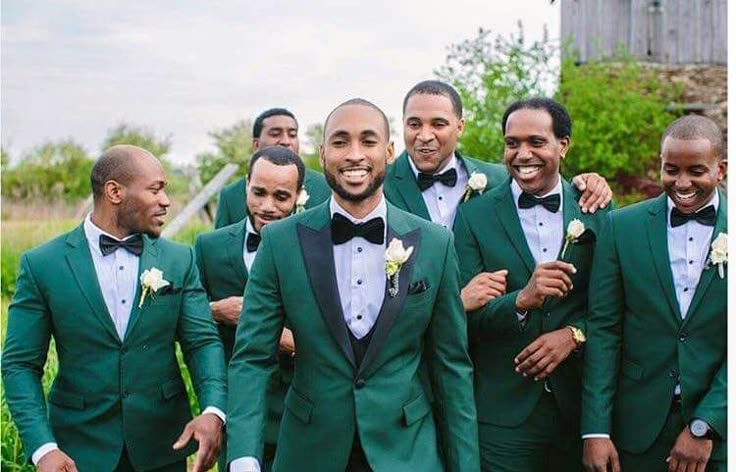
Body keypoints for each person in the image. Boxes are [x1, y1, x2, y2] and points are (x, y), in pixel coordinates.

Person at [227, 98, 479, 471]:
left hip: (406, 452)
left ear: (389, 151)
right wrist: (243, 458)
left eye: (368, 140)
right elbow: (252, 358)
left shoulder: (435, 243)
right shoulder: (280, 242)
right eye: (341, 141)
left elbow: (451, 368)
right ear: (323, 152)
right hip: (309, 452)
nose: (355, 154)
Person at [2, 145, 227, 472]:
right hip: (78, 453)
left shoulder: (180, 259)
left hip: (162, 449)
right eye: (155, 189)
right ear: (114, 191)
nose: (166, 201)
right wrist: (43, 448)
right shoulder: (42, 264)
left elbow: (202, 341)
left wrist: (213, 411)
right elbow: (20, 363)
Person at [454, 97, 610, 471]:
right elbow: (463, 320)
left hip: (580, 410)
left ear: (563, 145)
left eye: (536, 142)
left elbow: (615, 307)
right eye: (512, 143)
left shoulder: (595, 208)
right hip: (503, 417)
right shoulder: (473, 216)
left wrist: (573, 335)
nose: (522, 154)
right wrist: (520, 301)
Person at [581, 115, 727, 472]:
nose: (682, 182)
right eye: (671, 169)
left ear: (721, 169)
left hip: (721, 434)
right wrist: (595, 431)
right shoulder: (620, 228)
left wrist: (705, 424)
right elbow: (603, 330)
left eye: (696, 170)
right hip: (635, 431)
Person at [194, 145, 305, 471]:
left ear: (299, 196)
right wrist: (215, 310)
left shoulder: (315, 246)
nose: (267, 206)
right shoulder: (209, 247)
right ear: (246, 185)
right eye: (258, 193)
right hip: (239, 409)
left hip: (298, 410)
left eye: (281, 197)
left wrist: (286, 339)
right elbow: (185, 320)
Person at [383, 80, 612, 232]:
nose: (424, 135)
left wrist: (591, 182)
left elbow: (546, 182)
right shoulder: (379, 185)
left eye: (438, 124)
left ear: (460, 127)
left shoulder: (500, 178)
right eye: (414, 124)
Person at [214, 107, 331, 228]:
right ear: (256, 144)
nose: (286, 141)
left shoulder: (325, 186)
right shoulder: (230, 195)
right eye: (275, 134)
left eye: (292, 134)